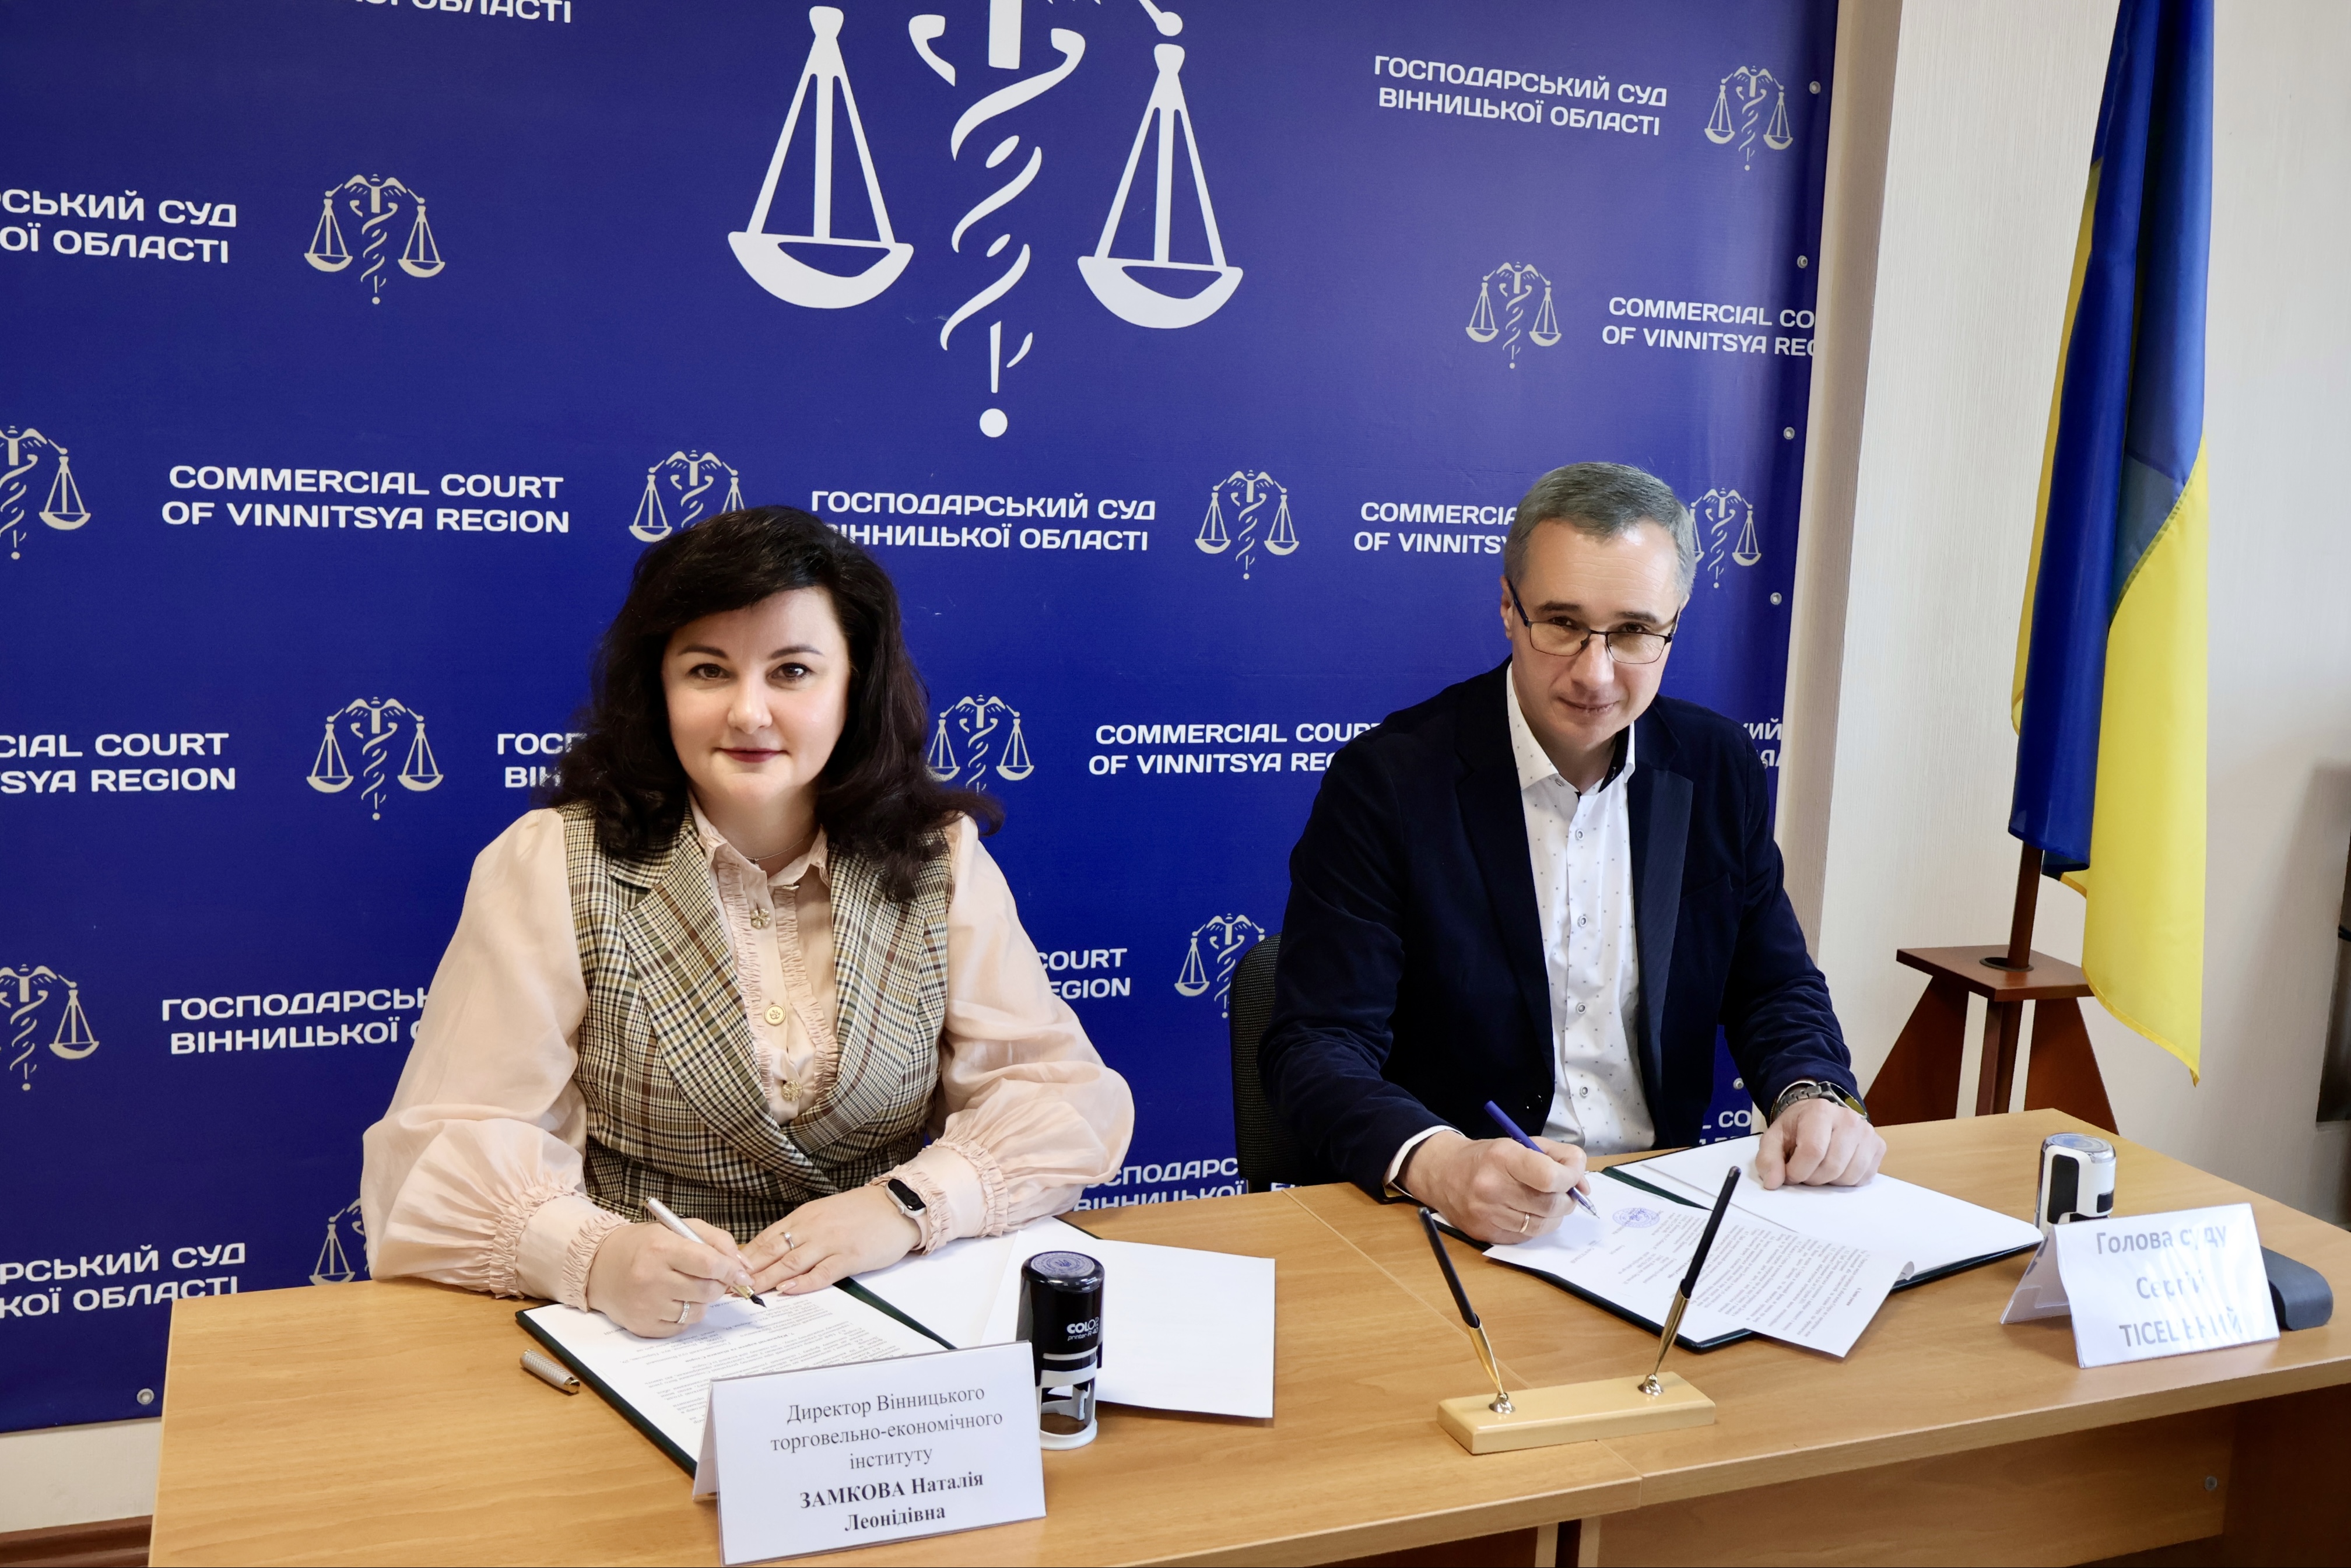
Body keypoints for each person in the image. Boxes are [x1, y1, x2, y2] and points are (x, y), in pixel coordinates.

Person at [362, 507, 1133, 1337]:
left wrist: (906, 1205)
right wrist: (595, 1257)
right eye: (708, 671)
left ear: (854, 684)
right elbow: (444, 1149)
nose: (750, 713)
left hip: (894, 1313)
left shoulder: (939, 857)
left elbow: (1060, 1098)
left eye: (792, 671)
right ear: (659, 688)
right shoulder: (551, 859)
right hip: (658, 1332)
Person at [1261, 462, 1882, 1245]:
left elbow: (1773, 985)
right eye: (1561, 623)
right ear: (1508, 609)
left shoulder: (1717, 766)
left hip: (1662, 1208)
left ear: (1674, 623)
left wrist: (1813, 1093)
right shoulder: (1388, 781)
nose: (1595, 673)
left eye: (1633, 631)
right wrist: (1438, 1161)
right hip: (1457, 1221)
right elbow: (1316, 1044)